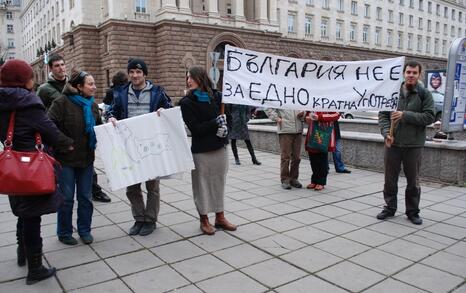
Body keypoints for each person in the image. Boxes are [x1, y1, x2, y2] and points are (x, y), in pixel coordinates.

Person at [0, 60, 73, 284]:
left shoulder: (3, 101)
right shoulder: (28, 103)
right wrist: (68, 143)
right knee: (32, 217)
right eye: (30, 76)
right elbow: (50, 131)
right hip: (32, 168)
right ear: (23, 80)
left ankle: (22, 254)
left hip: (13, 169)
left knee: (23, 212)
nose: (33, 80)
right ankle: (35, 268)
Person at [107, 58, 171, 236]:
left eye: (138, 72)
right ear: (129, 74)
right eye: (132, 72)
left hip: (151, 148)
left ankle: (150, 220)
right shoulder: (120, 93)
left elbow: (169, 108)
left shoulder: (157, 92)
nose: (135, 75)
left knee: (153, 187)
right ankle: (139, 218)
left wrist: (164, 112)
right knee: (132, 187)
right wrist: (111, 117)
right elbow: (112, 111)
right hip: (129, 147)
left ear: (145, 74)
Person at [37, 54, 111, 203]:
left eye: (62, 65)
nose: (61, 68)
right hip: (62, 141)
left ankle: (95, 191)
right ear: (51, 68)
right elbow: (40, 113)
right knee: (66, 194)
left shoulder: (77, 85)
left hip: (83, 144)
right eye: (57, 65)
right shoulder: (45, 89)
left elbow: (98, 125)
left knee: (87, 181)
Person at [180, 66, 237, 235]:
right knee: (202, 185)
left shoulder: (218, 96)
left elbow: (229, 118)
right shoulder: (187, 102)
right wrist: (215, 123)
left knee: (219, 182)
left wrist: (226, 129)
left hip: (220, 147)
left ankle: (220, 217)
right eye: (187, 78)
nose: (188, 80)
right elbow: (195, 129)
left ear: (201, 78)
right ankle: (204, 219)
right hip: (201, 151)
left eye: (191, 77)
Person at [377, 60, 435, 225]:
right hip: (392, 144)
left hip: (413, 145)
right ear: (404, 73)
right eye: (408, 72)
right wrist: (386, 133)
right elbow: (383, 116)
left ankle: (412, 211)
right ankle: (389, 207)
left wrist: (405, 115)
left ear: (419, 74)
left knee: (413, 181)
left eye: (414, 73)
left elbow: (430, 117)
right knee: (389, 179)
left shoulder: (424, 94)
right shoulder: (392, 92)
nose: (411, 75)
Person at [48, 69, 102, 245]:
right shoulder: (61, 103)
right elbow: (49, 126)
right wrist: (65, 142)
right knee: (67, 198)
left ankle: (85, 230)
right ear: (79, 87)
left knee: (85, 197)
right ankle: (64, 232)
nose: (94, 87)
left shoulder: (92, 106)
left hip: (86, 159)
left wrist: (112, 125)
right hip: (66, 160)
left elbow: (99, 129)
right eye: (90, 84)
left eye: (94, 84)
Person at [265, 109, 304, 190]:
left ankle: (294, 179)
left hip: (298, 130)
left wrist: (303, 114)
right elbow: (267, 107)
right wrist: (277, 118)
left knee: (297, 157)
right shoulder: (281, 96)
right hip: (285, 130)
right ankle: (285, 179)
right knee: (285, 157)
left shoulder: (299, 97)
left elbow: (305, 109)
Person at [304, 111, 340, 191]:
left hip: (324, 133)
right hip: (312, 133)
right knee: (313, 158)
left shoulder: (329, 102)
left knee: (322, 159)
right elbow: (307, 115)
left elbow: (336, 115)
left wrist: (320, 117)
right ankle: (314, 180)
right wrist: (307, 118)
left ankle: (321, 182)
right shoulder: (312, 101)